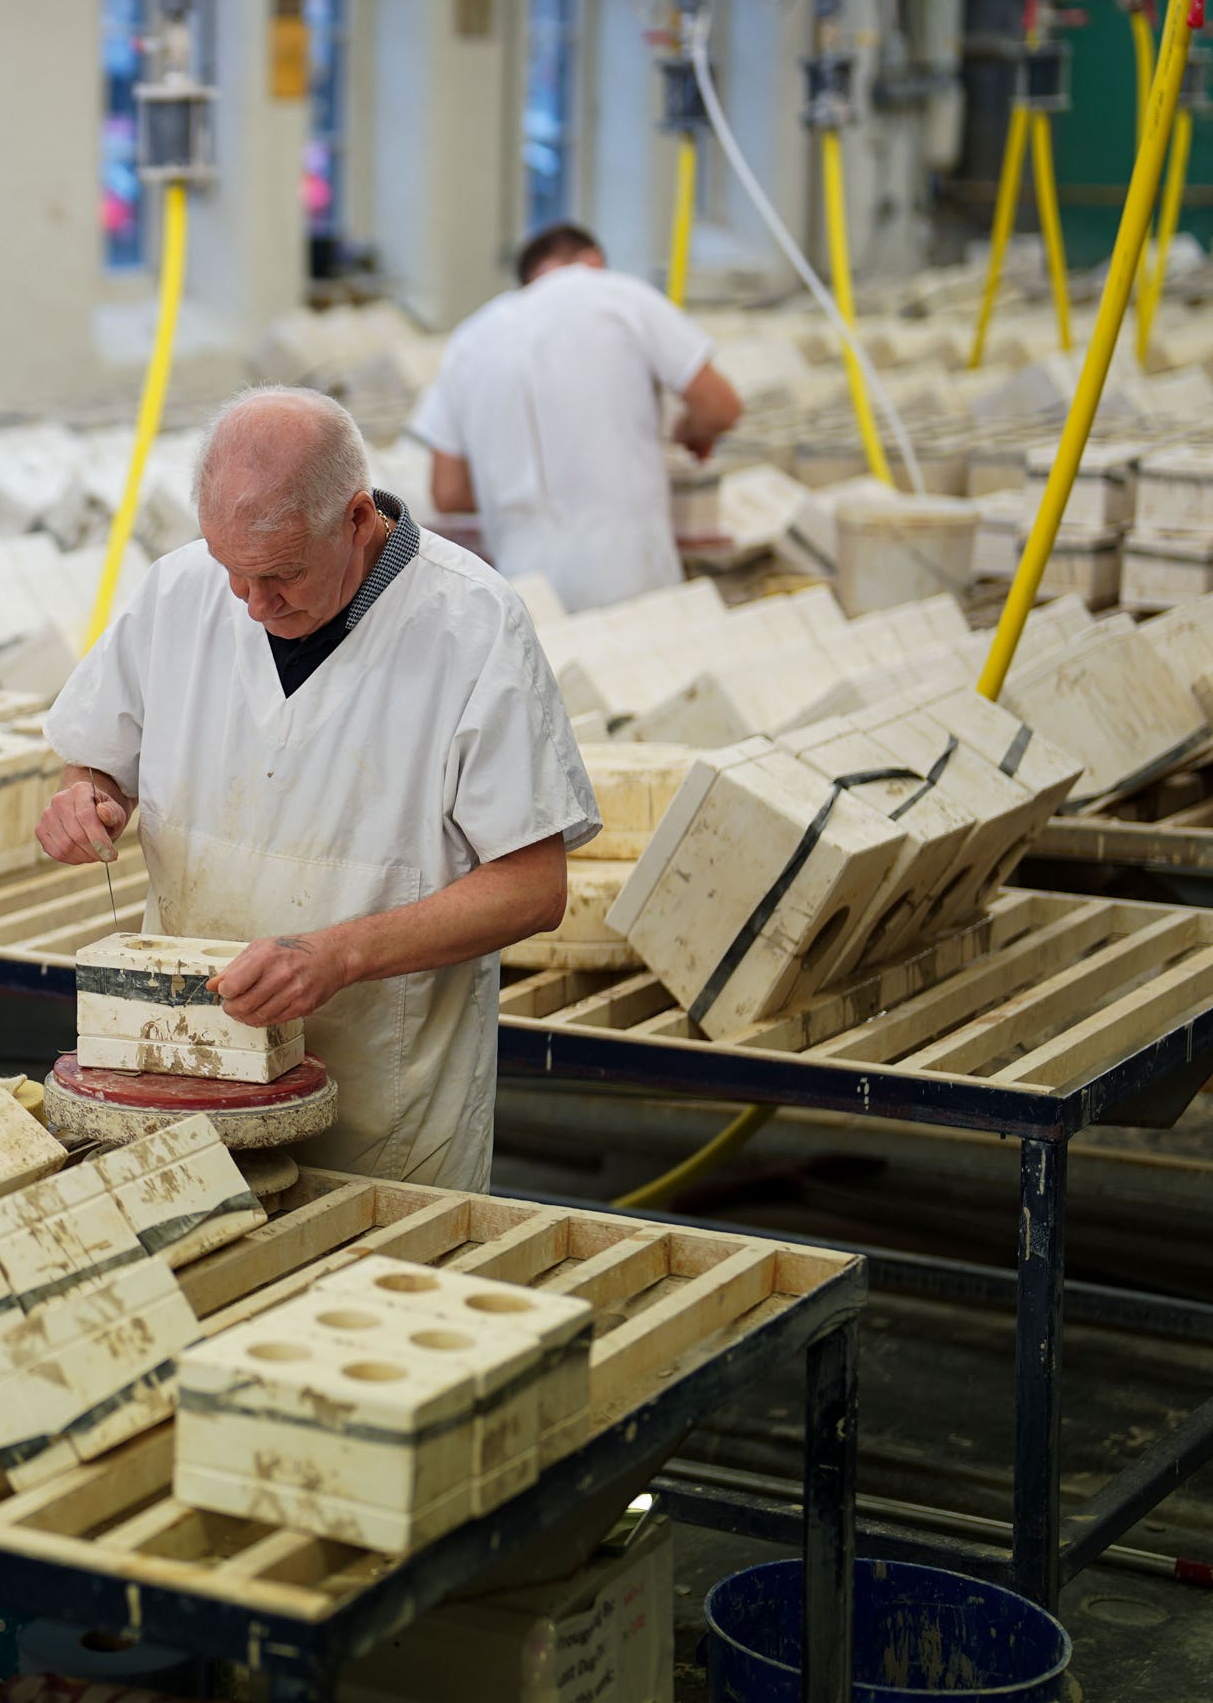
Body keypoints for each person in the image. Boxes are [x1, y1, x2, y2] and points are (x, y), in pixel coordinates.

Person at [36, 387, 598, 1190]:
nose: (257, 605)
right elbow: (94, 757)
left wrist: (336, 955)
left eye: (284, 575)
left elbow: (533, 888)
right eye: (234, 573)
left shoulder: (471, 626)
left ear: (359, 520)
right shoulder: (180, 589)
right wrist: (86, 798)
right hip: (186, 1074)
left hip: (385, 1108)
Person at [413, 222, 744, 612]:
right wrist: (690, 432)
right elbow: (721, 406)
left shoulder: (469, 339)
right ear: (593, 260)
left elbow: (447, 492)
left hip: (524, 589)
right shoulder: (617, 295)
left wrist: (515, 485)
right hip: (630, 576)